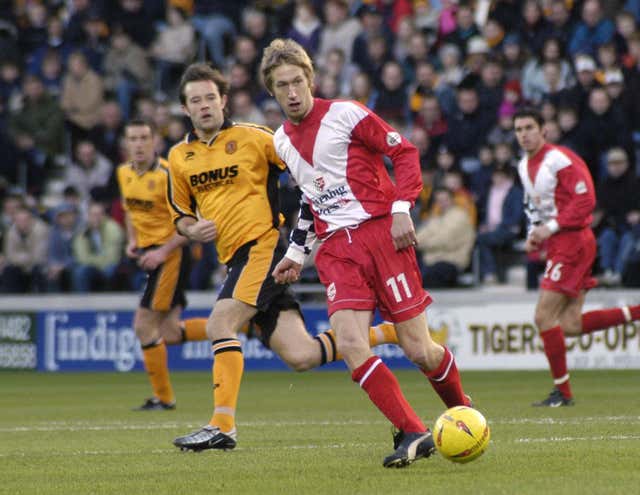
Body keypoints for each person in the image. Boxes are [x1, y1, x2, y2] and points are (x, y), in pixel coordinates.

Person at [166, 64, 400, 452]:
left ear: (224, 101)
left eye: (210, 97)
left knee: (220, 324)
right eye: (195, 100)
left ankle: (222, 425)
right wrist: (192, 230)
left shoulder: (256, 138)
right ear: (185, 109)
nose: (205, 105)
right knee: (302, 356)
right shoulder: (179, 157)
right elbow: (180, 216)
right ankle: (385, 334)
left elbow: (306, 164)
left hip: (262, 248)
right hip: (233, 259)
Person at [261, 38, 471, 468]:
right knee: (353, 345)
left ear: (310, 79)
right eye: (282, 86)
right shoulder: (281, 140)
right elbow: (308, 197)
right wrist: (297, 254)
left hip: (381, 237)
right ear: (273, 91)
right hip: (337, 251)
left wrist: (400, 208)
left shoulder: (346, 113)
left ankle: (463, 413)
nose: (292, 92)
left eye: (298, 81)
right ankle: (413, 430)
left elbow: (404, 151)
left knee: (420, 351)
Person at [514, 107, 640, 407]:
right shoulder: (523, 165)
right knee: (569, 325)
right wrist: (535, 231)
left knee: (543, 316)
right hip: (560, 243)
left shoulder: (560, 160)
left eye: (529, 127)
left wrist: (552, 227)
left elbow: (586, 201)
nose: (524, 134)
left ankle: (563, 394)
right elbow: (536, 207)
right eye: (518, 129)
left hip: (574, 243)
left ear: (544, 130)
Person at [117, 119, 209, 411]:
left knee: (143, 326)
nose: (139, 144)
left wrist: (161, 252)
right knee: (168, 332)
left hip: (172, 254)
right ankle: (244, 325)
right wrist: (131, 240)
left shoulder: (169, 173)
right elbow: (130, 210)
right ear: (126, 143)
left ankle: (164, 399)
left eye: (145, 137)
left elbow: (190, 222)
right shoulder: (124, 173)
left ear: (155, 141)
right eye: (133, 138)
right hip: (148, 255)